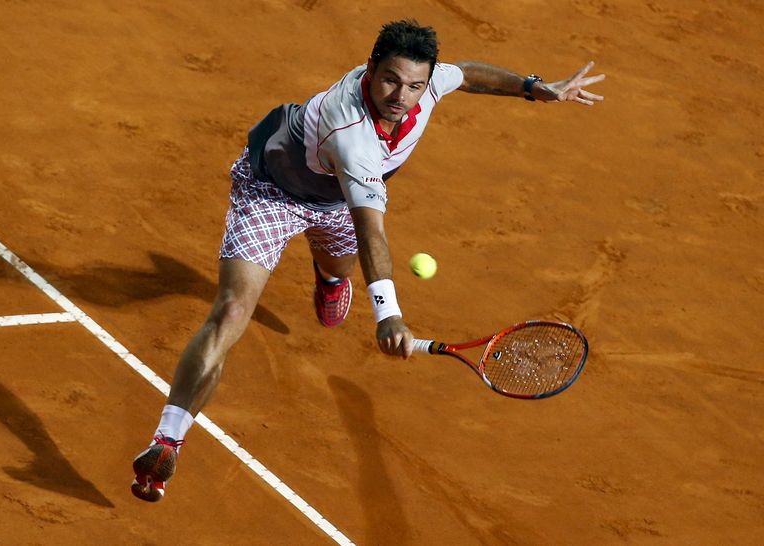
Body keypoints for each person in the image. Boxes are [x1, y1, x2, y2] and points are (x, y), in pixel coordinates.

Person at [131, 19, 604, 502]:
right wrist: (388, 314)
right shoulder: (351, 133)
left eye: (415, 85)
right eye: (390, 80)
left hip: (335, 204)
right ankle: (167, 439)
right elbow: (371, 228)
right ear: (372, 68)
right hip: (271, 192)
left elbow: (466, 74)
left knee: (337, 267)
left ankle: (329, 277)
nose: (401, 95)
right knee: (231, 310)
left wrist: (533, 88)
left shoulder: (428, 83)